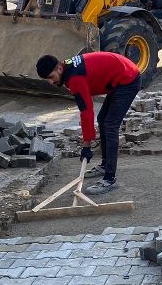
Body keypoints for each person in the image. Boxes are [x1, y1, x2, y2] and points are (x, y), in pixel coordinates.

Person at [36, 52, 141, 195]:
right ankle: (105, 165)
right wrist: (88, 142)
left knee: (110, 125)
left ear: (59, 69)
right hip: (119, 75)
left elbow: (86, 111)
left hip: (128, 79)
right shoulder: (68, 68)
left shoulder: (74, 78)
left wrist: (86, 146)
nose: (51, 82)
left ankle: (109, 179)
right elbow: (87, 105)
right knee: (102, 119)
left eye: (51, 77)